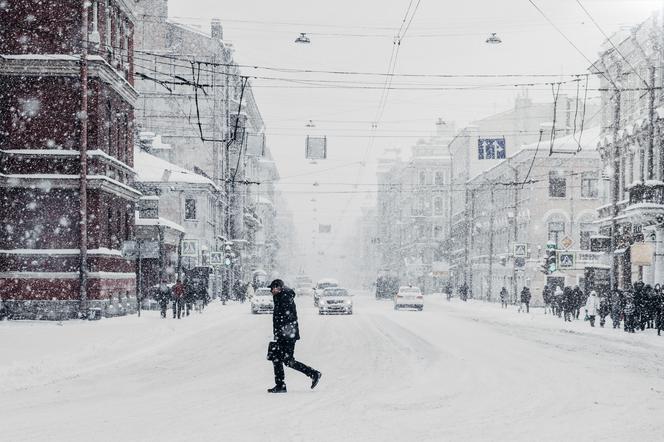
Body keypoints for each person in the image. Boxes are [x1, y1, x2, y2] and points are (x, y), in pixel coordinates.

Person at [267, 279, 321, 394]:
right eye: (271, 289)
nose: (271, 291)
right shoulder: (281, 296)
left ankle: (312, 374)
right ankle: (282, 384)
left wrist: (282, 334)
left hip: (287, 335)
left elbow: (288, 318)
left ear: (279, 288)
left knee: (283, 359)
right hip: (285, 334)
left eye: (273, 288)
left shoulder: (285, 297)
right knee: (280, 358)